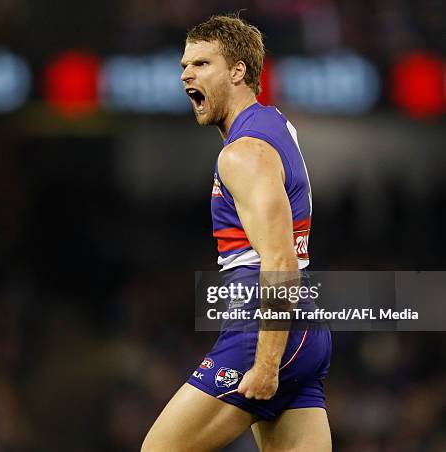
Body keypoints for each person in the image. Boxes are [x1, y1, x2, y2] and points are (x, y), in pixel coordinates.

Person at [142, 15, 332, 451]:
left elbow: (280, 261)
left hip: (262, 328)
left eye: (202, 64)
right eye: (184, 66)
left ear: (238, 71)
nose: (186, 74)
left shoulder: (243, 154)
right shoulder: (276, 125)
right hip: (304, 328)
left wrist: (266, 365)